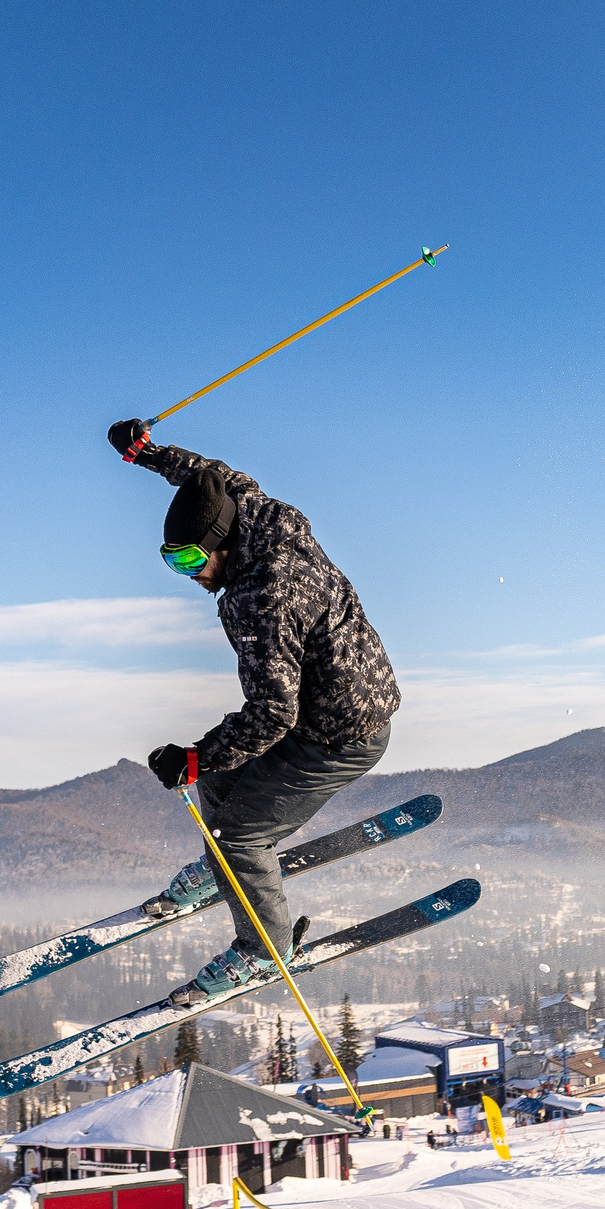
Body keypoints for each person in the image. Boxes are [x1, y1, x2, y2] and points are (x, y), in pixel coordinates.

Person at [107, 419, 402, 1007]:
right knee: (218, 783)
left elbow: (271, 714)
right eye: (174, 562)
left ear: (219, 544)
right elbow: (207, 477)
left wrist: (193, 755)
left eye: (193, 559)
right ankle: (223, 868)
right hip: (326, 703)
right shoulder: (261, 512)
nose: (193, 576)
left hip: (340, 733)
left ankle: (263, 950)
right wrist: (149, 455)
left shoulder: (257, 596)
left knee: (240, 833)